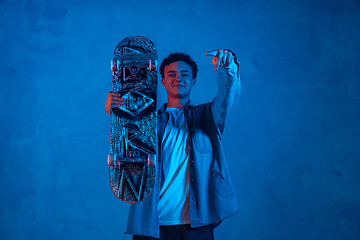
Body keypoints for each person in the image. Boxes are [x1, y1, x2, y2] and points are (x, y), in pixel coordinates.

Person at [105, 49, 241, 240]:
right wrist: (116, 114)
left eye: (185, 74)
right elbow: (127, 155)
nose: (178, 78)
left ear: (193, 81)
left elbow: (227, 98)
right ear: (162, 81)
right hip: (151, 224)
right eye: (172, 74)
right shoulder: (147, 122)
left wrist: (228, 68)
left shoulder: (208, 117)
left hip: (196, 223)